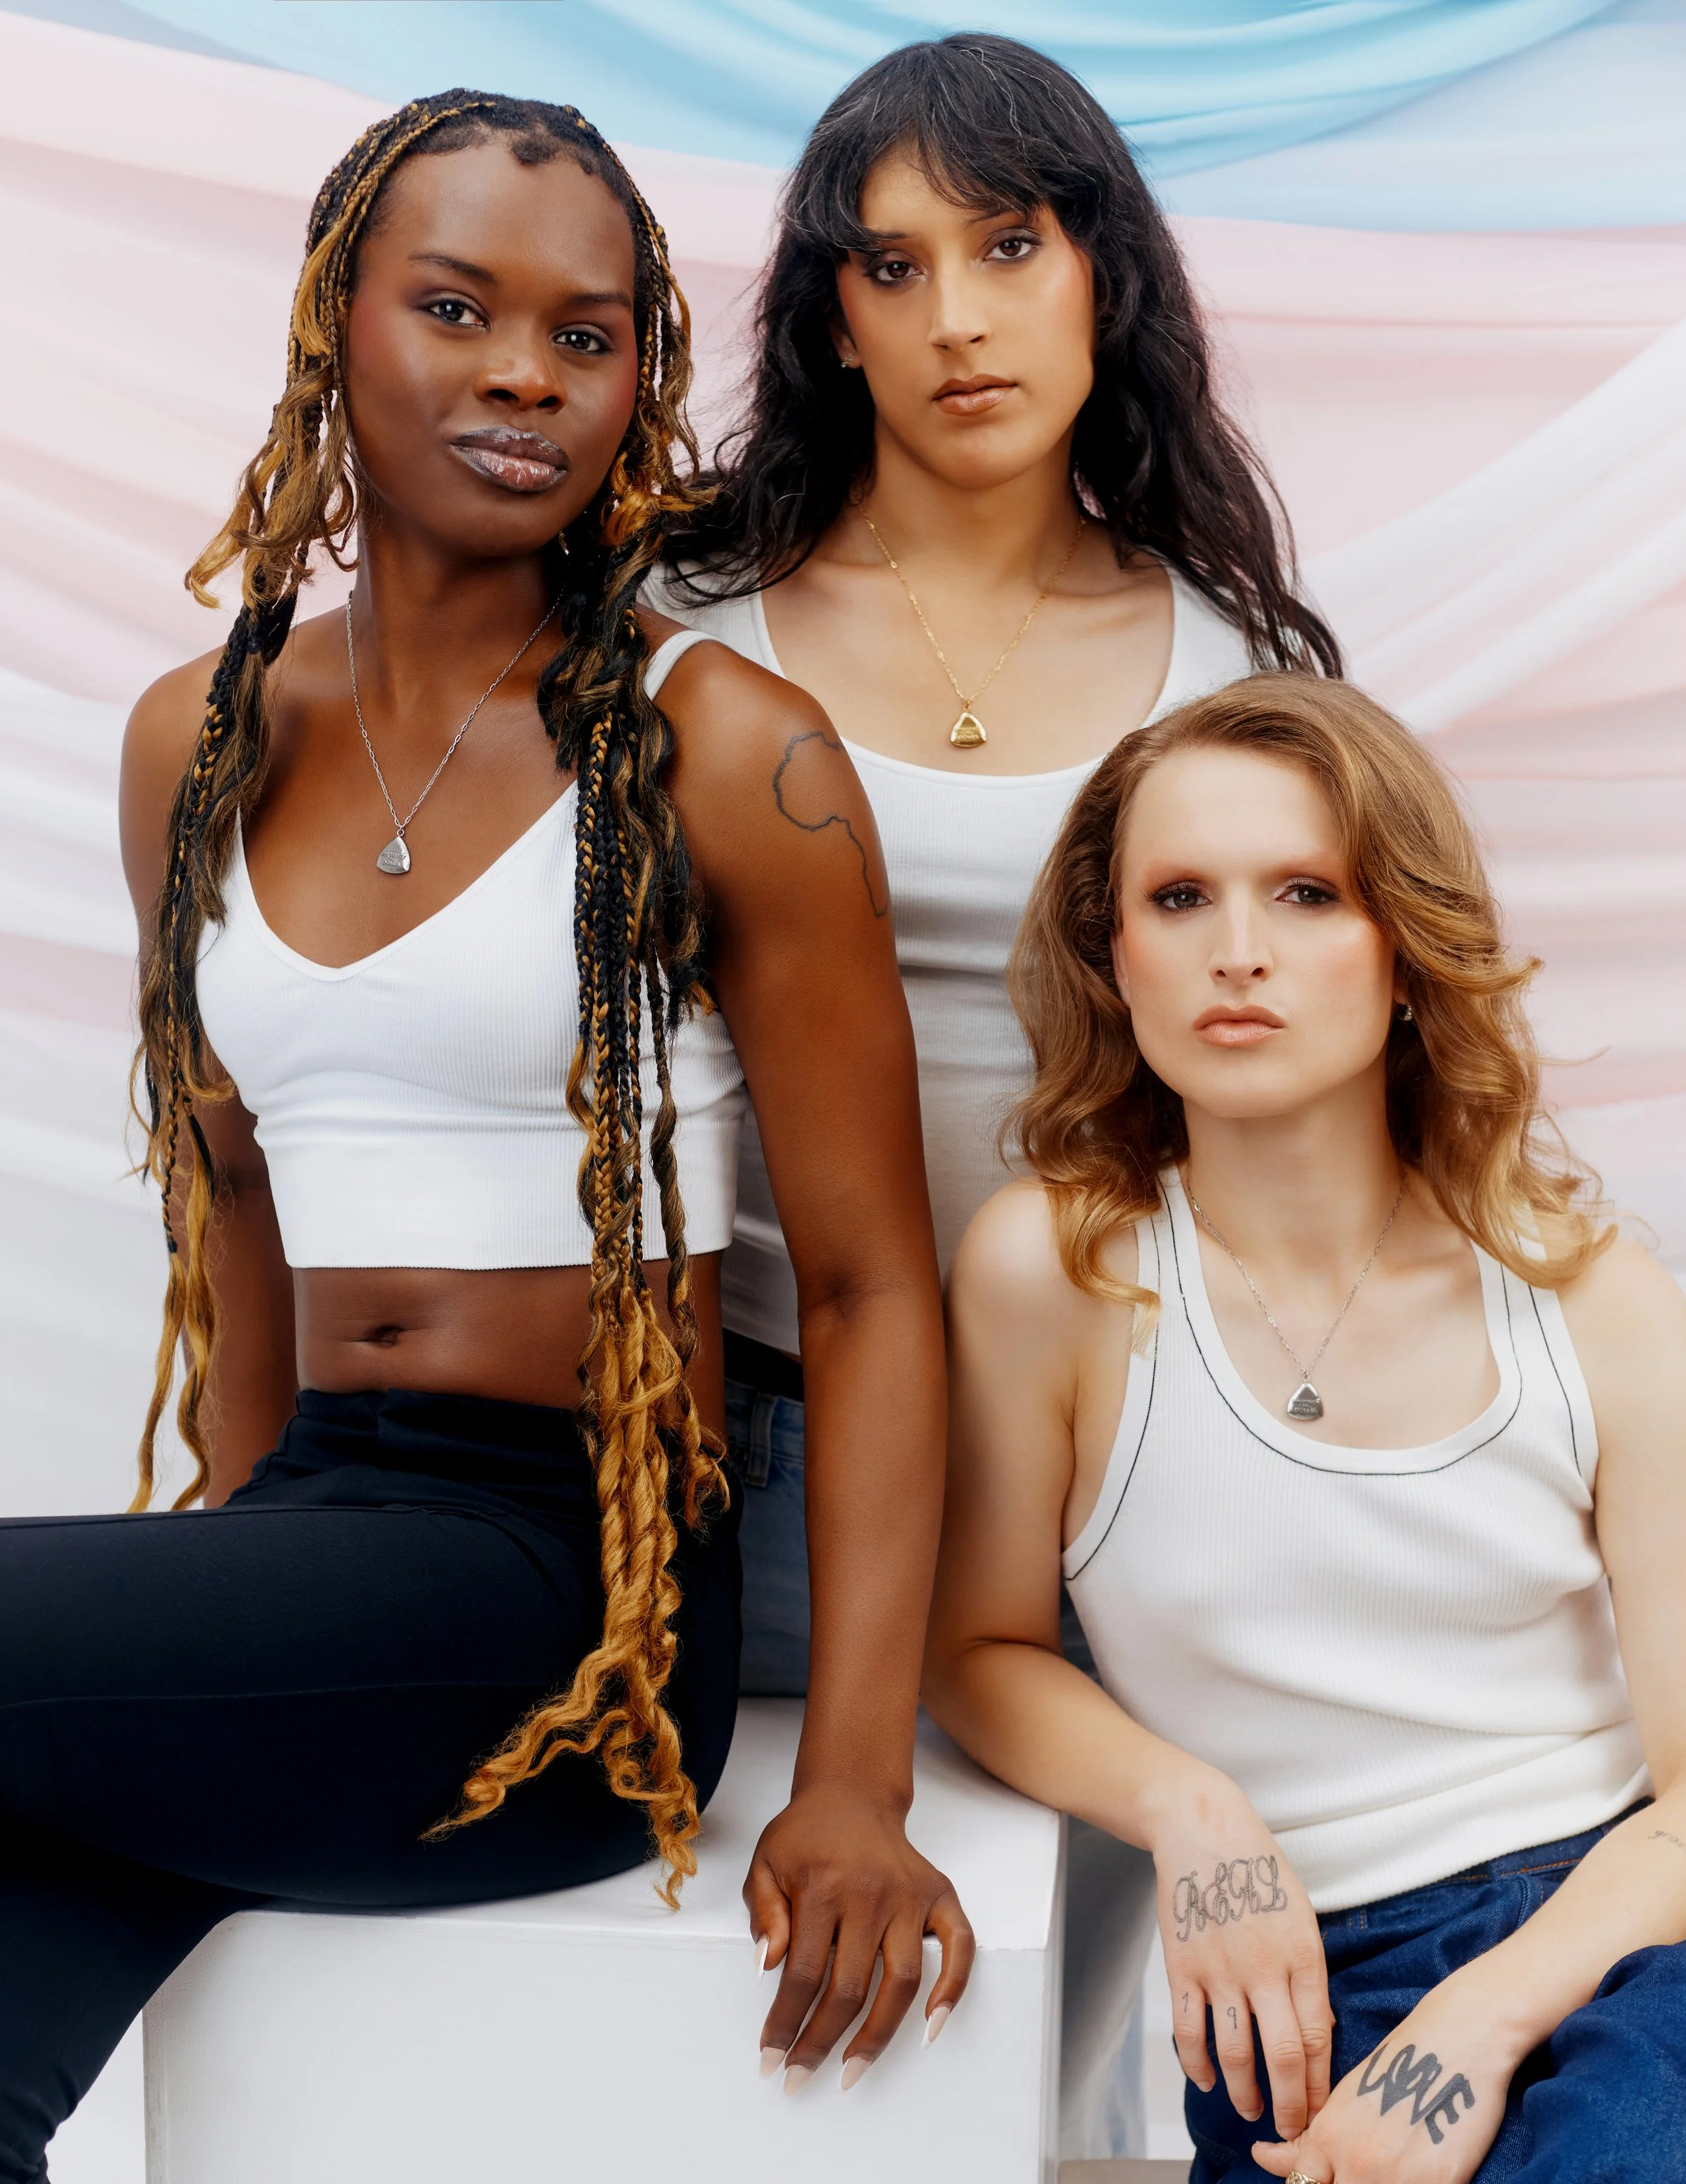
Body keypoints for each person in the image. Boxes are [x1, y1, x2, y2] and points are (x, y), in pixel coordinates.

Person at [0, 92, 974, 2177]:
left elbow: (885, 1287)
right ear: (335, 325)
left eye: (587, 334)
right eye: (456, 308)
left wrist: (860, 1782)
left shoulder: (728, 757)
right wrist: (216, 1619)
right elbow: (232, 1194)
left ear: (639, 384)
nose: (527, 373)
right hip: (325, 1547)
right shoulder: (197, 739)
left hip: (572, 1600)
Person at [648, 34, 1339, 2152]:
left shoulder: (1233, 667)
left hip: (1110, 1453)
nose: (954, 315)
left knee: (1127, 2034)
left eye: (1010, 245)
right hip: (743, 1443)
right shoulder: (680, 628)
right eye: (889, 264)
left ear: (1100, 277)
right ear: (824, 321)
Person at [925, 673, 1686, 2183]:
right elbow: (976, 1650)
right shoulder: (1055, 1271)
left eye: (1305, 892)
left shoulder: (1583, 1293)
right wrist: (1189, 1809)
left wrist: (1479, 2022)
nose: (1237, 951)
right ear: (1110, 956)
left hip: (1636, 1927)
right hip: (1301, 1967)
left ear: (1401, 947)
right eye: (1178, 896)